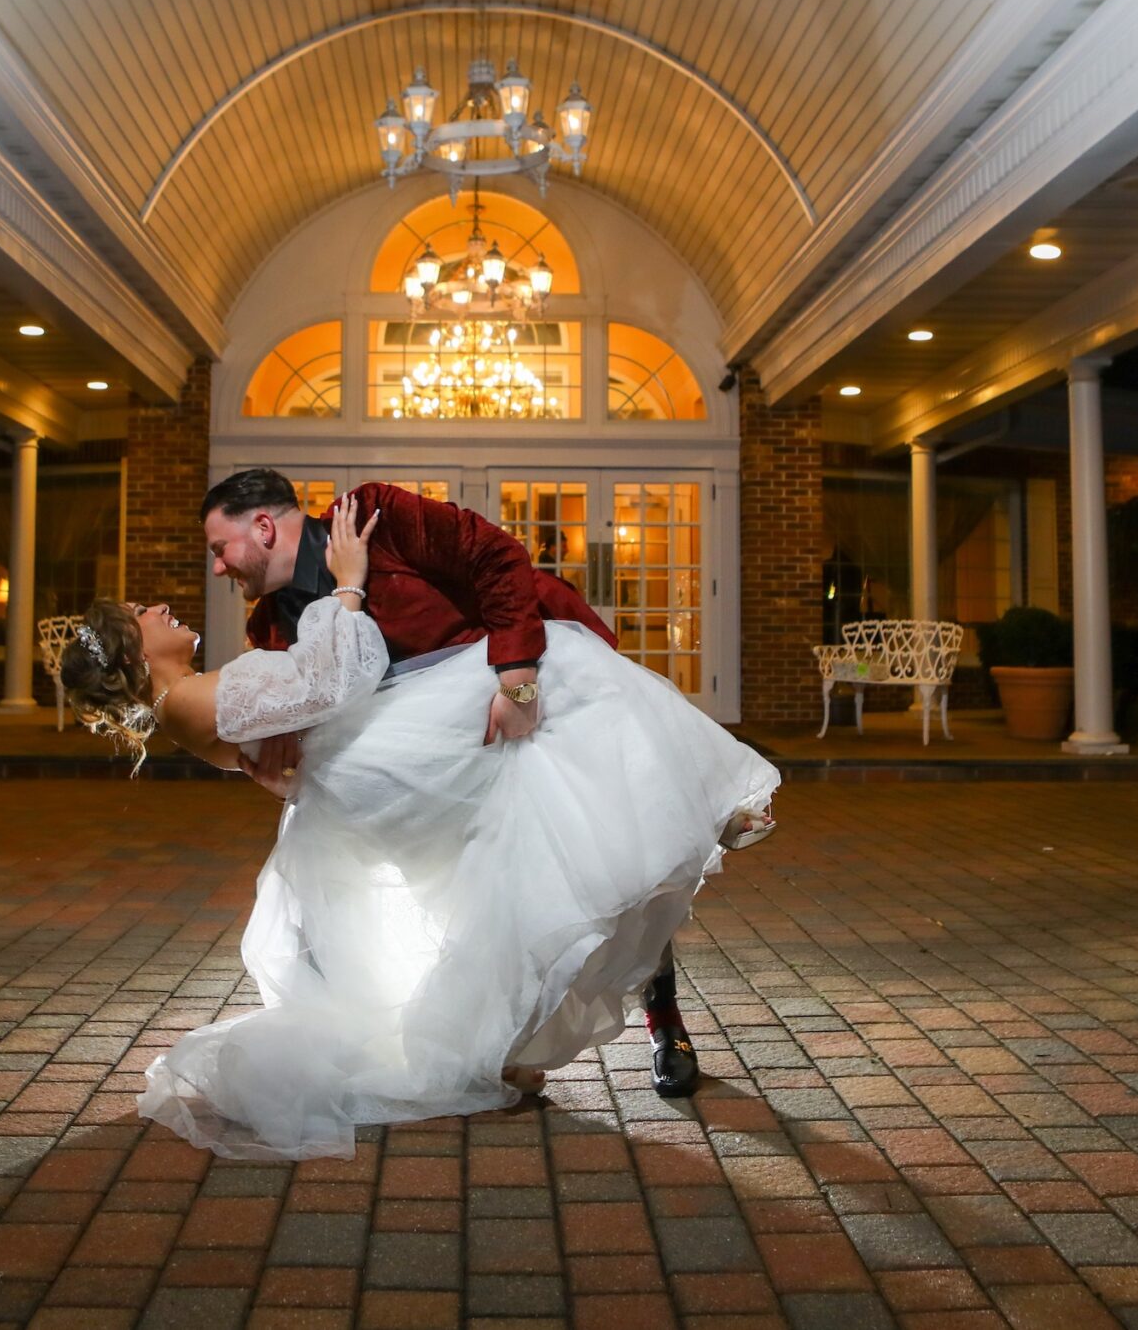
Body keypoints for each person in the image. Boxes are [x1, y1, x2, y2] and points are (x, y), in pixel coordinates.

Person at [58, 494, 777, 1161]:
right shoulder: (210, 678)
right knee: (572, 680)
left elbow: (287, 714)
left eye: (219, 548)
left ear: (265, 529)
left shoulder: (350, 537)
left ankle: (513, 1042)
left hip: (370, 765)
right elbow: (338, 673)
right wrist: (348, 585)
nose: (165, 600)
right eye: (140, 611)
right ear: (132, 652)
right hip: (386, 758)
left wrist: (286, 718)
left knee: (523, 858)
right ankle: (718, 798)